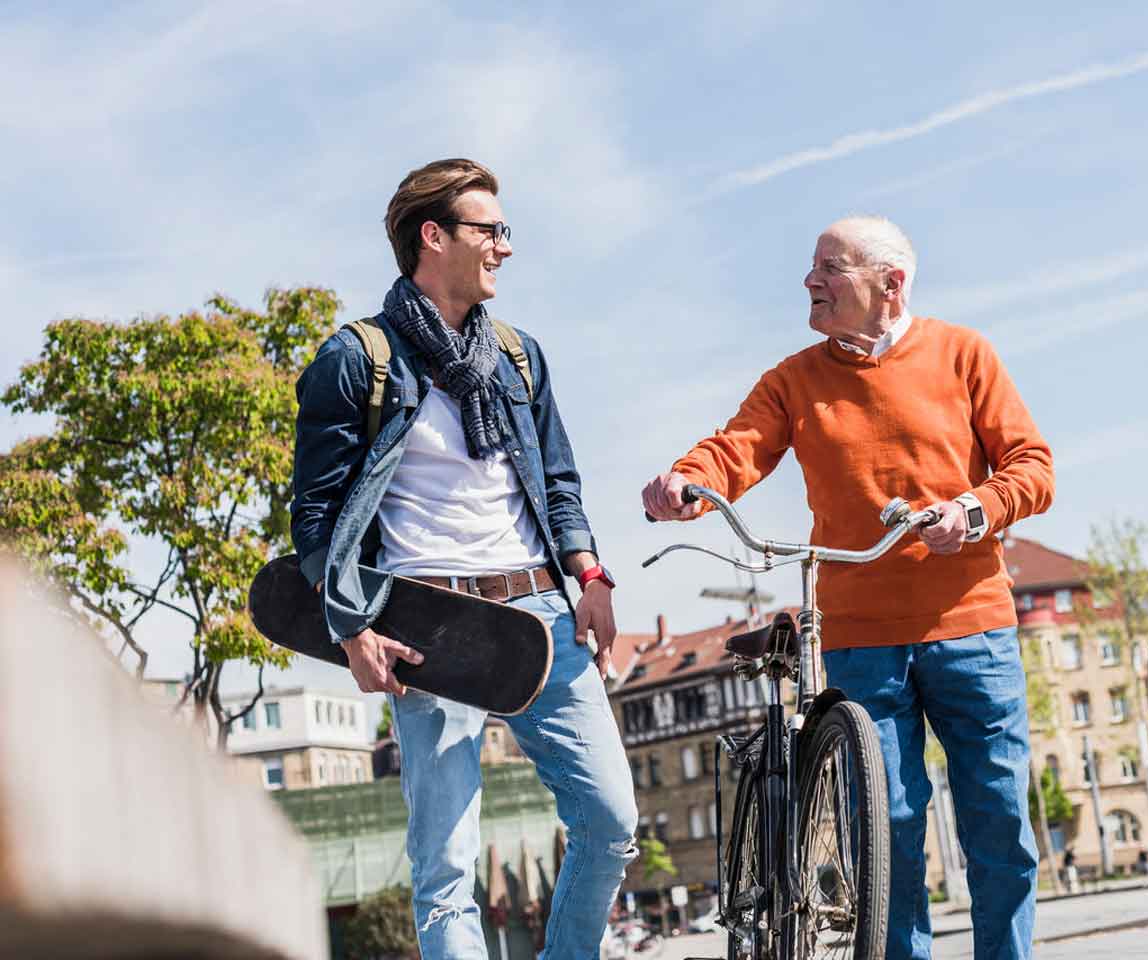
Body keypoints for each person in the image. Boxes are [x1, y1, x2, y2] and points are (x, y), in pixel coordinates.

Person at [642, 216, 1054, 959]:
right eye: (813, 267)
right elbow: (736, 448)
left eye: (830, 268)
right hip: (863, 637)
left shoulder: (964, 354)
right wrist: (688, 481)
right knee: (885, 834)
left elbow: (1031, 467)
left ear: (890, 285)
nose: (810, 281)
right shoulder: (795, 379)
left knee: (998, 825)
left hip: (972, 626)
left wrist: (973, 508)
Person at [291, 158, 636, 958]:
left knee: (611, 823)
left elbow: (557, 481)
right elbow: (316, 515)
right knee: (447, 869)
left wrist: (589, 574)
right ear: (433, 236)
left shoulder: (518, 356)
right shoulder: (359, 360)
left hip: (541, 614)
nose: (505, 248)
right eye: (491, 229)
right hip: (429, 625)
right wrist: (352, 629)